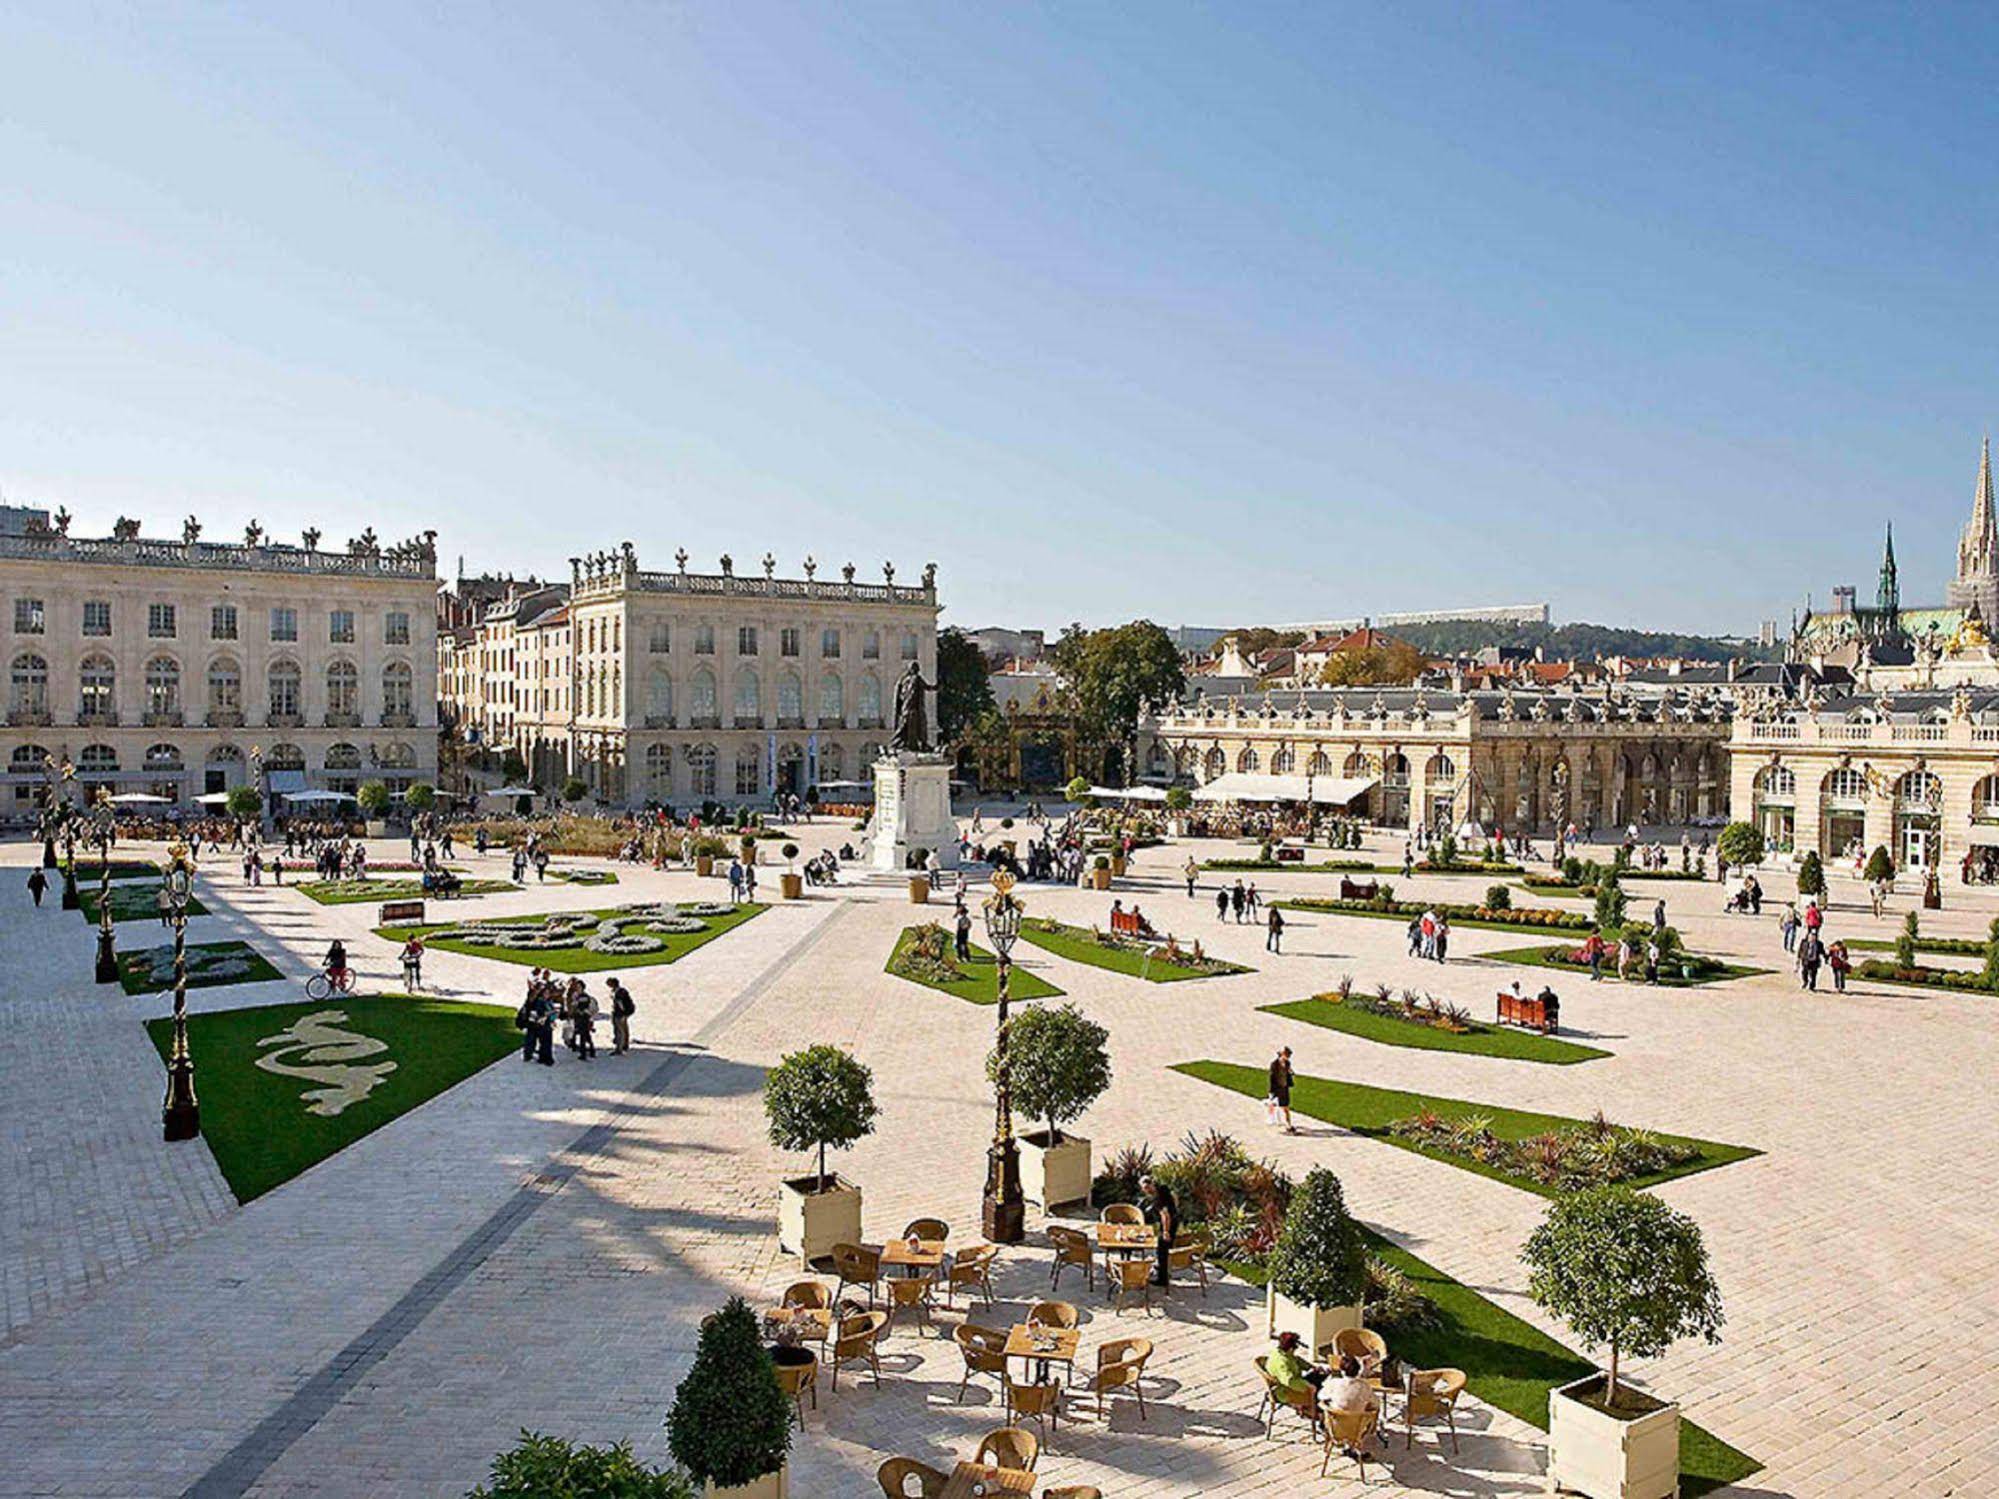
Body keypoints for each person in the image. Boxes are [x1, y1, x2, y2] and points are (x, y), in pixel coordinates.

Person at [1265, 1330, 1326, 1406]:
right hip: (1287, 1390)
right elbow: (1290, 1381)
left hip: (1296, 1381)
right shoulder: (1282, 1363)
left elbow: (1296, 1360)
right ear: (1291, 1349)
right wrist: (1308, 1386)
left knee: (1321, 1377)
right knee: (1321, 1390)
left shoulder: (1280, 1352)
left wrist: (1312, 1367)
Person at [1140, 1173, 1177, 1287]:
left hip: (1169, 1223)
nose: (1146, 1191)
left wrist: (1166, 1231)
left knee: (1162, 1250)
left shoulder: (1159, 1197)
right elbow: (1175, 1196)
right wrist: (1175, 1208)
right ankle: (1161, 1271)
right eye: (1144, 1189)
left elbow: (1165, 1215)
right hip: (1174, 1220)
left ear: (1151, 1185)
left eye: (1146, 1188)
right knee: (1163, 1248)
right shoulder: (1163, 1188)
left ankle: (1162, 1280)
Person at [1267, 1046, 1295, 1132]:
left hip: (1284, 1087)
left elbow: (1289, 1073)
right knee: (1273, 1105)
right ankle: (1273, 1120)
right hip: (1276, 1088)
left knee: (1285, 1106)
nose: (1287, 1057)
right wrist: (1271, 1091)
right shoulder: (1274, 1064)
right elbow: (1272, 1078)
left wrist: (1290, 1074)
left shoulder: (1287, 1063)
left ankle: (1288, 1125)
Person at [607, 976, 635, 1054]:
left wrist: (623, 1013)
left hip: (620, 1014)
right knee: (624, 1029)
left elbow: (620, 1004)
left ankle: (619, 1048)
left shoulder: (618, 993)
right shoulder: (621, 991)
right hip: (623, 1013)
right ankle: (625, 1045)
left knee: (619, 1030)